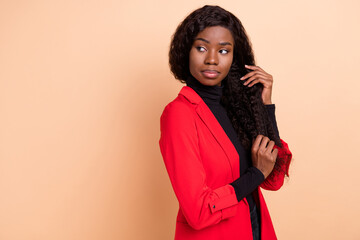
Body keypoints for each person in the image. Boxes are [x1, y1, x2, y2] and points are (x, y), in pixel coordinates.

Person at [159, 5, 292, 240]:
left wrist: (266, 107)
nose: (211, 59)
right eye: (201, 48)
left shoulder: (237, 106)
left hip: (256, 231)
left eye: (223, 51)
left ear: (234, 56)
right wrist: (254, 175)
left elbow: (273, 179)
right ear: (186, 51)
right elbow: (198, 212)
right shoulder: (179, 114)